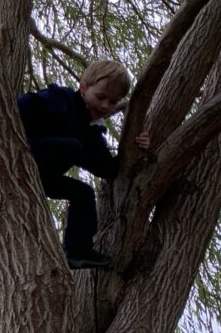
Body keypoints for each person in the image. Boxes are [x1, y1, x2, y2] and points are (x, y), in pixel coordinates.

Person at [17, 59, 150, 270]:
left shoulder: (93, 131)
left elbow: (106, 168)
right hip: (26, 153)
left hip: (44, 176)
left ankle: (77, 251)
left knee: (84, 192)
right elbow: (20, 107)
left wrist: (138, 147)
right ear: (83, 87)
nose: (105, 105)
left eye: (113, 102)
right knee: (73, 147)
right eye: (100, 97)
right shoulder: (60, 99)